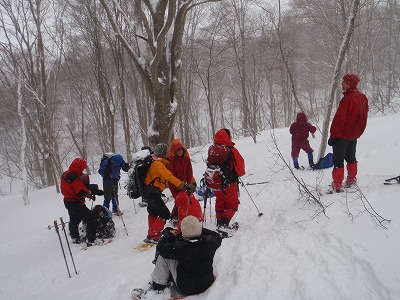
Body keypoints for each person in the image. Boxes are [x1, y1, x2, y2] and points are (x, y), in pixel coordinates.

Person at [150, 215, 222, 296]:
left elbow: (160, 247)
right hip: (206, 282)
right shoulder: (210, 243)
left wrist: (169, 235)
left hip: (187, 288)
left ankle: (158, 285)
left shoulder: (179, 248)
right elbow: (217, 236)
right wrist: (195, 229)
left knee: (163, 257)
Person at [142, 143, 195, 243]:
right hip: (151, 191)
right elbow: (169, 176)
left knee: (153, 211)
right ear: (163, 153)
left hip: (150, 191)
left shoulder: (158, 162)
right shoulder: (158, 164)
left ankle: (152, 232)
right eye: (167, 151)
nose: (169, 152)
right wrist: (183, 185)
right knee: (165, 213)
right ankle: (152, 235)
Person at [328, 73, 369, 191]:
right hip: (353, 135)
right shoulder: (362, 97)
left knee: (338, 160)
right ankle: (351, 178)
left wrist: (334, 136)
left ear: (350, 84)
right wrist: (357, 132)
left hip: (342, 135)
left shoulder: (347, 99)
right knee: (351, 157)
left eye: (344, 82)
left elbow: (339, 120)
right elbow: (363, 118)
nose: (342, 83)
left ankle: (337, 183)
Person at [212, 128, 245, 228]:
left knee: (220, 202)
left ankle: (219, 222)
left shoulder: (213, 150)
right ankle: (224, 224)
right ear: (228, 137)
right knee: (233, 205)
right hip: (229, 183)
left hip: (216, 183)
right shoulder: (231, 150)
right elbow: (241, 169)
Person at [61, 158, 96, 246]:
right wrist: (89, 192)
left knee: (74, 219)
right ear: (78, 167)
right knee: (90, 218)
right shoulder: (72, 176)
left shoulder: (66, 173)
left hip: (67, 201)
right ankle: (91, 240)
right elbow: (80, 190)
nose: (83, 170)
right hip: (74, 202)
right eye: (82, 168)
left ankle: (75, 237)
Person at [166, 139, 196, 223]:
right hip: (174, 185)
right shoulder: (171, 161)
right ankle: (176, 216)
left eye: (180, 150)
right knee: (179, 200)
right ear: (174, 151)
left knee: (182, 199)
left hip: (184, 184)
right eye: (177, 151)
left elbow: (189, 172)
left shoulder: (186, 159)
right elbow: (172, 176)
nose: (179, 152)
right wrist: (179, 185)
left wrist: (188, 183)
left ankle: (176, 216)